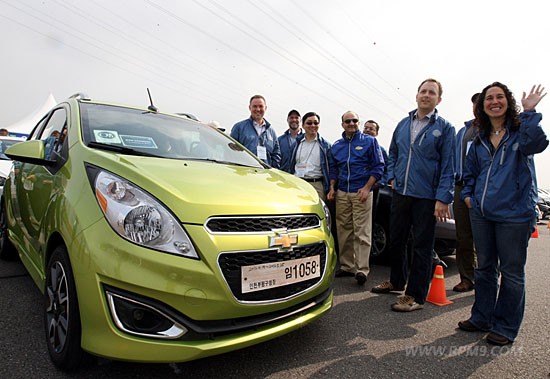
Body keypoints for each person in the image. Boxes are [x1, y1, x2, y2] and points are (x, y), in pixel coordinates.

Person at [458, 83, 548, 346]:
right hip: (482, 214)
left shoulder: (521, 133)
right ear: (482, 105)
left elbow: (538, 144)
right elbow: (470, 174)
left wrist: (530, 112)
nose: (494, 101)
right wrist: (468, 198)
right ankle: (481, 318)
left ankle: (506, 327)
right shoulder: (478, 140)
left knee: (511, 272)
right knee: (484, 268)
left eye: (499, 97)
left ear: (508, 102)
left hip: (515, 216)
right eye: (489, 98)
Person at [371, 78, 455, 312]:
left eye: (432, 92)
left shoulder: (445, 128)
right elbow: (393, 154)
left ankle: (415, 296)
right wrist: (391, 176)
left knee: (422, 246)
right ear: (416, 95)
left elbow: (449, 165)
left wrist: (443, 198)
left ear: (438, 99)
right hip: (401, 193)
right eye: (423, 91)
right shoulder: (402, 124)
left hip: (426, 196)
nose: (426, 95)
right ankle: (397, 281)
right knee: (396, 240)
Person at [328, 111, 384, 285]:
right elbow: (333, 169)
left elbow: (378, 166)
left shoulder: (370, 141)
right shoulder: (336, 146)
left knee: (362, 232)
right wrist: (331, 188)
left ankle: (361, 270)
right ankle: (347, 266)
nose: (351, 123)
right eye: (348, 121)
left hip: (361, 192)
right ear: (342, 124)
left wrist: (367, 188)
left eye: (355, 121)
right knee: (344, 231)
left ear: (358, 123)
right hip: (343, 192)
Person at [452, 93, 480, 292]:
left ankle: (487, 279)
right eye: (476, 104)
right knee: (463, 237)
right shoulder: (463, 131)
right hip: (461, 188)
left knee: (485, 238)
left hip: (483, 189)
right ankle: (467, 278)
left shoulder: (494, 129)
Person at [288, 112, 332, 201]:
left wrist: (331, 188)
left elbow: (331, 168)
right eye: (309, 123)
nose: (313, 125)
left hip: (317, 185)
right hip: (298, 183)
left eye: (316, 123)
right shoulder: (296, 143)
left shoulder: (325, 146)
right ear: (303, 125)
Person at [230, 95, 281, 168]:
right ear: (249, 108)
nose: (258, 109)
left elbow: (276, 154)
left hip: (265, 175)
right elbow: (231, 152)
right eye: (255, 106)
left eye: (261, 106)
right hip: (245, 173)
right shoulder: (239, 128)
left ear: (265, 108)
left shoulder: (271, 131)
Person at [363, 120, 388, 186]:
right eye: (365, 128)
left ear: (376, 133)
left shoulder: (381, 151)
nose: (367, 130)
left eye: (371, 129)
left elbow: (387, 170)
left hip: (371, 187)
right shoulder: (354, 147)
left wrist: (380, 183)